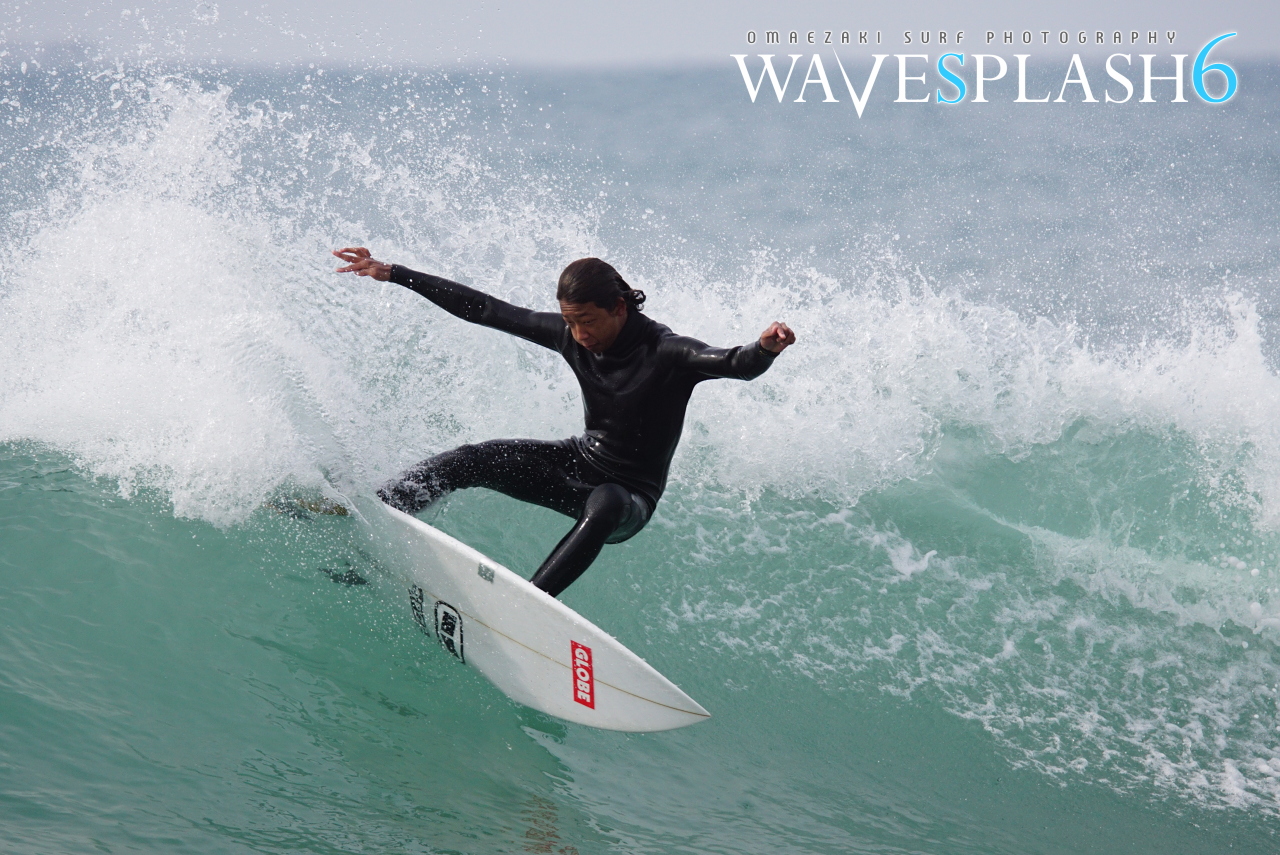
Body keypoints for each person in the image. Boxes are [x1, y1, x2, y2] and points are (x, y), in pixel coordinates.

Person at [334, 247, 796, 597]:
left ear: (620, 308)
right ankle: (366, 518)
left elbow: (734, 362)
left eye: (588, 321)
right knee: (471, 459)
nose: (579, 334)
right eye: (570, 322)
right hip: (578, 464)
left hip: (628, 501)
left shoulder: (666, 352)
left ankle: (529, 604)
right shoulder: (571, 335)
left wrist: (765, 348)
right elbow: (487, 309)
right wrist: (395, 273)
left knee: (607, 500)